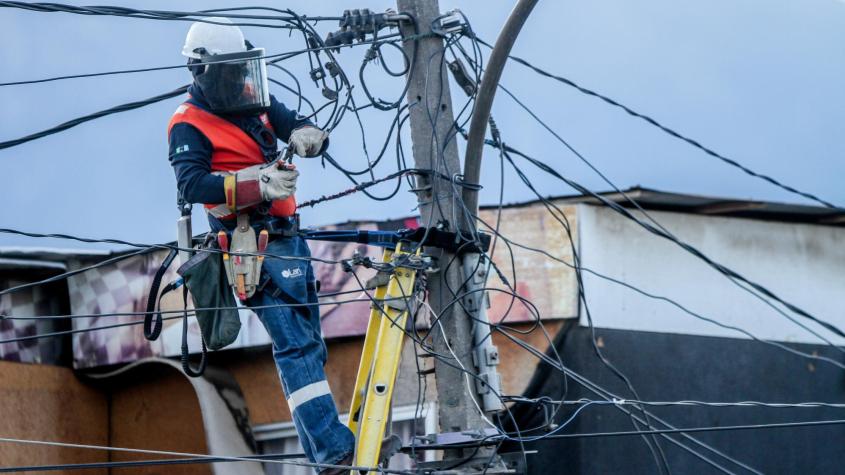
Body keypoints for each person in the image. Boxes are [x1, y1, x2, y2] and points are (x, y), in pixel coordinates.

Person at [167, 18, 354, 474]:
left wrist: (308, 133)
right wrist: (256, 182)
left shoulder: (252, 97)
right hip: (251, 244)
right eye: (229, 72)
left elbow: (290, 123)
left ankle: (321, 453)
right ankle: (332, 450)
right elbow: (192, 184)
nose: (238, 79)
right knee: (295, 346)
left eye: (240, 70)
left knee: (309, 345)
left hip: (289, 237)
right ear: (203, 73)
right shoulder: (187, 124)